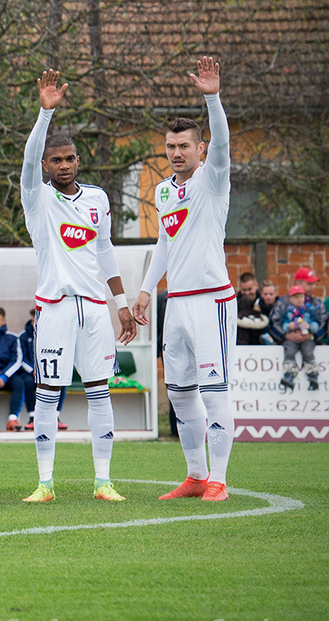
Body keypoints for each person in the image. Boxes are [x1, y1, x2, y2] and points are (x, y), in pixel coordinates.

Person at [22, 70, 138, 502]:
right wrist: (45, 114)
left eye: (70, 158)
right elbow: (28, 159)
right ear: (46, 166)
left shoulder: (98, 199)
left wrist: (121, 302)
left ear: (77, 160)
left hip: (94, 309)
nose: (65, 165)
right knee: (47, 394)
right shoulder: (37, 197)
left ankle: (103, 482)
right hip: (54, 307)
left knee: (99, 392)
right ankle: (45, 483)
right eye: (56, 160)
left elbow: (105, 251)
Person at [132, 56, 236, 502]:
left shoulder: (213, 180)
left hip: (211, 301)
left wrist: (212, 98)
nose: (176, 153)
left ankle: (219, 479)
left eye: (184, 146)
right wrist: (144, 290)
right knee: (179, 393)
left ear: (200, 149)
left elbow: (224, 145)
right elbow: (165, 243)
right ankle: (195, 476)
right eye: (170, 146)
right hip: (175, 303)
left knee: (214, 394)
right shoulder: (163, 190)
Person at [277, 285, 322, 391]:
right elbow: (282, 324)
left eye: (301, 296)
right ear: (290, 299)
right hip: (292, 338)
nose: (299, 299)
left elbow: (317, 324)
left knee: (308, 352)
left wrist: (309, 326)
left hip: (306, 338)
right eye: (296, 297)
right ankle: (289, 374)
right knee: (289, 351)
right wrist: (288, 327)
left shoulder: (310, 309)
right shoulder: (287, 311)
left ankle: (313, 374)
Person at [235, 272, 270, 346]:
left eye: (249, 289)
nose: (247, 293)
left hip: (262, 346)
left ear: (257, 286)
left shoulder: (264, 303)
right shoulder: (235, 304)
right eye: (244, 290)